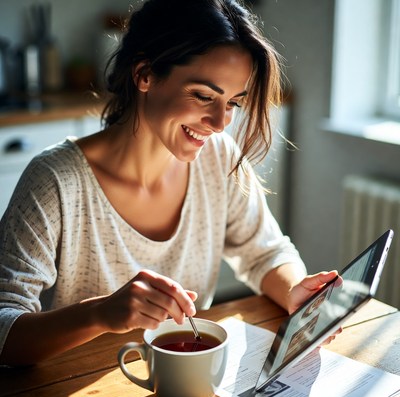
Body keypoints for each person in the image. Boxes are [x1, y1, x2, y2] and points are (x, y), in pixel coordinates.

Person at [0, 0, 338, 366]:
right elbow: (4, 328)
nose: (220, 122)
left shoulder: (219, 156)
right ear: (145, 74)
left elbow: (265, 252)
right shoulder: (55, 181)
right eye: (203, 96)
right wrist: (99, 314)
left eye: (233, 103)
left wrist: (294, 292)